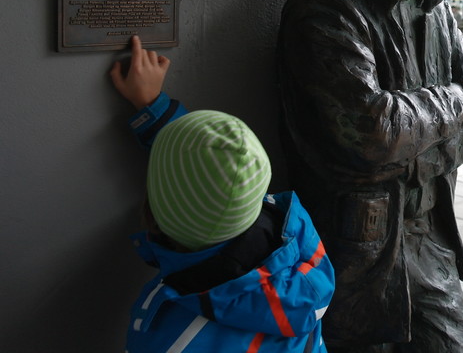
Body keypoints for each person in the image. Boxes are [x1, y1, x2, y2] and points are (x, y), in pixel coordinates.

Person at [277, 0, 463, 352]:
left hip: (430, 243)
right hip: (358, 260)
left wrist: (409, 160)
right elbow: (373, 133)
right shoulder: (326, 6)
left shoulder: (434, 6)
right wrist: (450, 102)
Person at [110, 35, 335, 352]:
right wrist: (153, 106)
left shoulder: (168, 338)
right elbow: (219, 176)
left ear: (159, 214)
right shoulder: (297, 240)